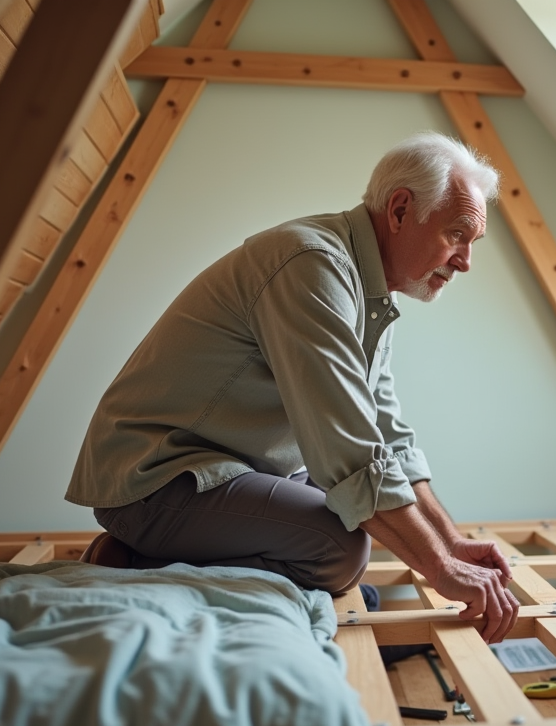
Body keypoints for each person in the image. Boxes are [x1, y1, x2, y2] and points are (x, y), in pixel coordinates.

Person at [66, 132, 519, 643]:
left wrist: (451, 543)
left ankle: (146, 558)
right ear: (399, 211)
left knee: (357, 525)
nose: (464, 261)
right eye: (457, 234)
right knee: (340, 549)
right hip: (155, 478)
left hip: (229, 470)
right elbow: (349, 450)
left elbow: (388, 437)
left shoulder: (371, 295)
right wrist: (440, 569)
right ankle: (137, 560)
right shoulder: (312, 265)